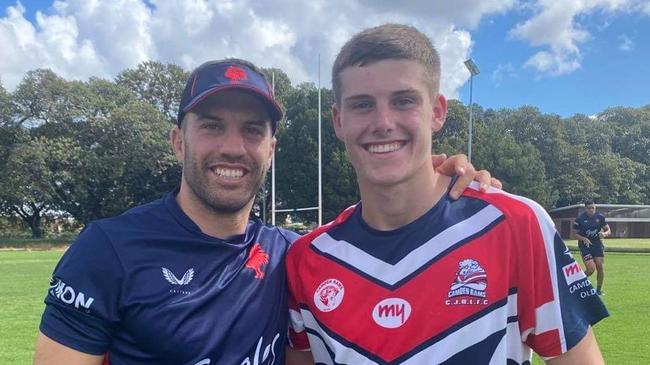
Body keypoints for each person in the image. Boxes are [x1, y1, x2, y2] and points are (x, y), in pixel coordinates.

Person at [33, 58, 494, 365]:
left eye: (252, 130)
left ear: (271, 149)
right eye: (212, 127)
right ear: (179, 142)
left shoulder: (297, 258)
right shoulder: (108, 248)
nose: (233, 147)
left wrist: (433, 177)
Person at [285, 24, 609, 365]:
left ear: (437, 111)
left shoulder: (516, 224)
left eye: (404, 101)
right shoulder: (308, 259)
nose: (383, 122)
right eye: (362, 105)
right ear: (338, 120)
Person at [574, 200, 611, 296]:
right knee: (590, 269)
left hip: (597, 245)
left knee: (600, 267)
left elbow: (608, 230)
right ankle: (577, 283)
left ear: (595, 208)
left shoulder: (600, 217)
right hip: (585, 246)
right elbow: (575, 234)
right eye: (589, 208)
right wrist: (583, 239)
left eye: (592, 208)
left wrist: (604, 234)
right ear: (585, 209)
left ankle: (598, 290)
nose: (591, 210)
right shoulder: (580, 219)